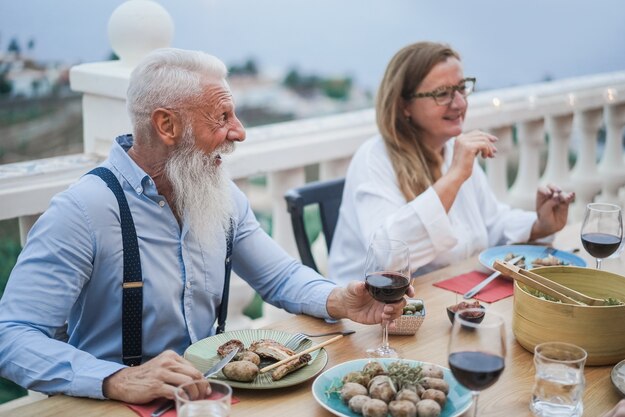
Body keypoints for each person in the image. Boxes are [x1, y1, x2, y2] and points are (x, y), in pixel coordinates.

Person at [0, 48, 411, 405]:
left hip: (205, 398)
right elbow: (12, 335)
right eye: (222, 116)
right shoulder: (83, 210)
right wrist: (115, 379)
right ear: (166, 126)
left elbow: (281, 277)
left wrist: (341, 300)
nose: (240, 131)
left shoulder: (220, 194)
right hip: (111, 405)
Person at [328, 41, 575, 283]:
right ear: (405, 105)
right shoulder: (374, 159)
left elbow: (491, 223)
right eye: (442, 94)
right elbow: (387, 259)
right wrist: (455, 176)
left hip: (451, 294)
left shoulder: (449, 149)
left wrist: (539, 224)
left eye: (461, 88)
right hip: (372, 314)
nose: (459, 103)